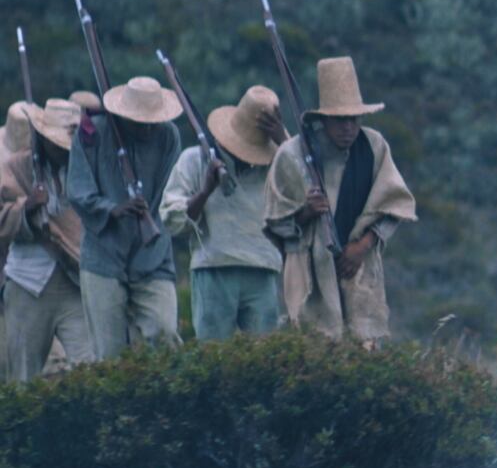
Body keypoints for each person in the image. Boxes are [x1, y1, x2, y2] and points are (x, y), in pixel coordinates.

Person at [265, 59, 416, 346]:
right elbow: (275, 224)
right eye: (340, 120)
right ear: (324, 120)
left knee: (363, 347)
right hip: (310, 273)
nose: (348, 128)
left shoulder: (374, 146)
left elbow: (395, 206)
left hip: (358, 268)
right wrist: (306, 212)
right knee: (313, 348)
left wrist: (362, 246)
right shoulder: (292, 154)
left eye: (354, 119)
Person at [67, 75, 184, 359]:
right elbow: (78, 191)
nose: (148, 127)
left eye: (152, 120)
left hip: (154, 256)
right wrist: (113, 208)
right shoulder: (92, 134)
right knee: (109, 355)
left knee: (166, 334)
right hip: (103, 256)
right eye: (140, 121)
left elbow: (169, 193)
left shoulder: (169, 136)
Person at [161, 85, 287, 340]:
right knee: (213, 353)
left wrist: (284, 143)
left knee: (266, 355)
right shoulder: (194, 160)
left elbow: (304, 189)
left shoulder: (278, 164)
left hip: (263, 266)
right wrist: (205, 191)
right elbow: (172, 220)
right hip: (214, 267)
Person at [0, 100, 88, 377]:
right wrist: (27, 207)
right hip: (27, 283)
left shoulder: (83, 169)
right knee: (23, 377)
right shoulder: (15, 168)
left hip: (74, 281)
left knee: (91, 368)